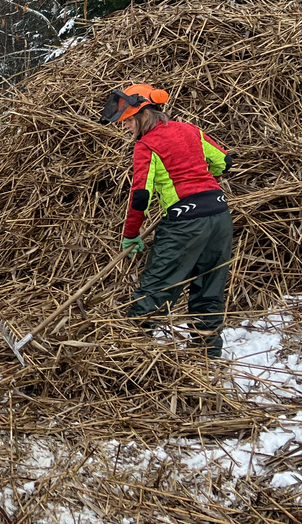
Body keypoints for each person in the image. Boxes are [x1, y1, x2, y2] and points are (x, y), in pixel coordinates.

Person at [99, 84, 233, 357]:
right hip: (220, 215)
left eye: (127, 121)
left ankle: (130, 350)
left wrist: (131, 233)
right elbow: (224, 162)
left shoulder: (146, 145)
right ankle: (206, 354)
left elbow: (140, 196)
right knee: (209, 289)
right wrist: (204, 188)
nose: (125, 127)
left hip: (185, 224)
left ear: (143, 114)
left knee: (158, 286)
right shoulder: (191, 130)